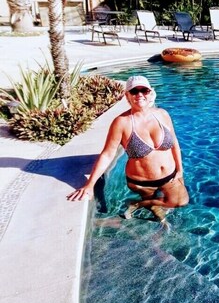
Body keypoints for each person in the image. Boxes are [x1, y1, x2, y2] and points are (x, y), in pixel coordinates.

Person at [67, 75, 189, 225]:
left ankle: (136, 204)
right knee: (154, 205)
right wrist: (90, 185)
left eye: (144, 90)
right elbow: (108, 153)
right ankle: (152, 209)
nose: (139, 94)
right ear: (127, 96)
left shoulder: (162, 114)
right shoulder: (121, 122)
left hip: (170, 175)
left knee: (180, 201)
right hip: (142, 182)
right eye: (134, 91)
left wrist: (180, 170)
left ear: (150, 93)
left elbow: (174, 141)